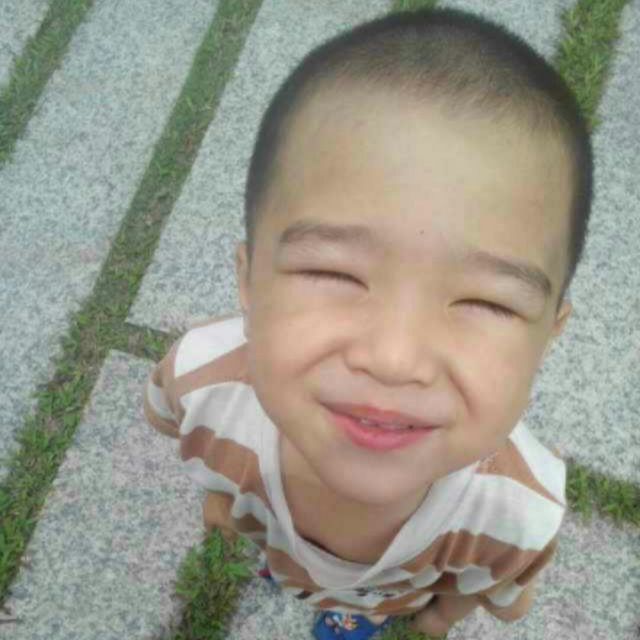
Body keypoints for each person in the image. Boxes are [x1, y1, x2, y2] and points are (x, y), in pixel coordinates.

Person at [143, 7, 592, 639]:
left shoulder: (517, 513)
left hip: (396, 595)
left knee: (364, 613)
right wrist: (225, 505)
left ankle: (357, 611)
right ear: (249, 280)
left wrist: (438, 618)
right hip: (276, 542)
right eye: (334, 273)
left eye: (488, 302)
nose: (394, 358)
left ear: (549, 333)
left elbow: (497, 592)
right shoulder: (201, 386)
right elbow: (190, 445)